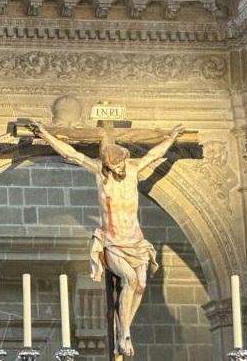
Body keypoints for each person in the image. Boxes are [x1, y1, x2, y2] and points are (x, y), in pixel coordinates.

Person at [31, 121, 185, 357]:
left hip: (135, 240)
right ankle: (124, 334)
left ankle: (123, 329)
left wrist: (171, 138)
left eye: (119, 164)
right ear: (106, 164)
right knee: (130, 279)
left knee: (141, 285)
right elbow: (70, 153)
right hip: (112, 240)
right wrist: (45, 134)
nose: (117, 169)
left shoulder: (133, 168)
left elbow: (154, 154)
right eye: (112, 166)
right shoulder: (98, 171)